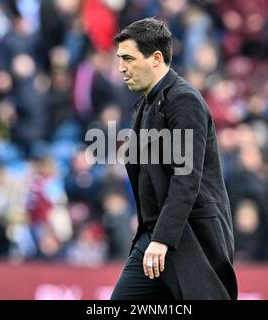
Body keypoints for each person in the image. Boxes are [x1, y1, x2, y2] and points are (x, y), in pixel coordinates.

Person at [110, 18, 238, 300]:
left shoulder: (183, 100)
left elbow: (186, 178)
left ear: (156, 59)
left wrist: (162, 239)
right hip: (155, 236)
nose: (121, 68)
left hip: (189, 239)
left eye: (128, 58)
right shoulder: (146, 102)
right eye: (120, 59)